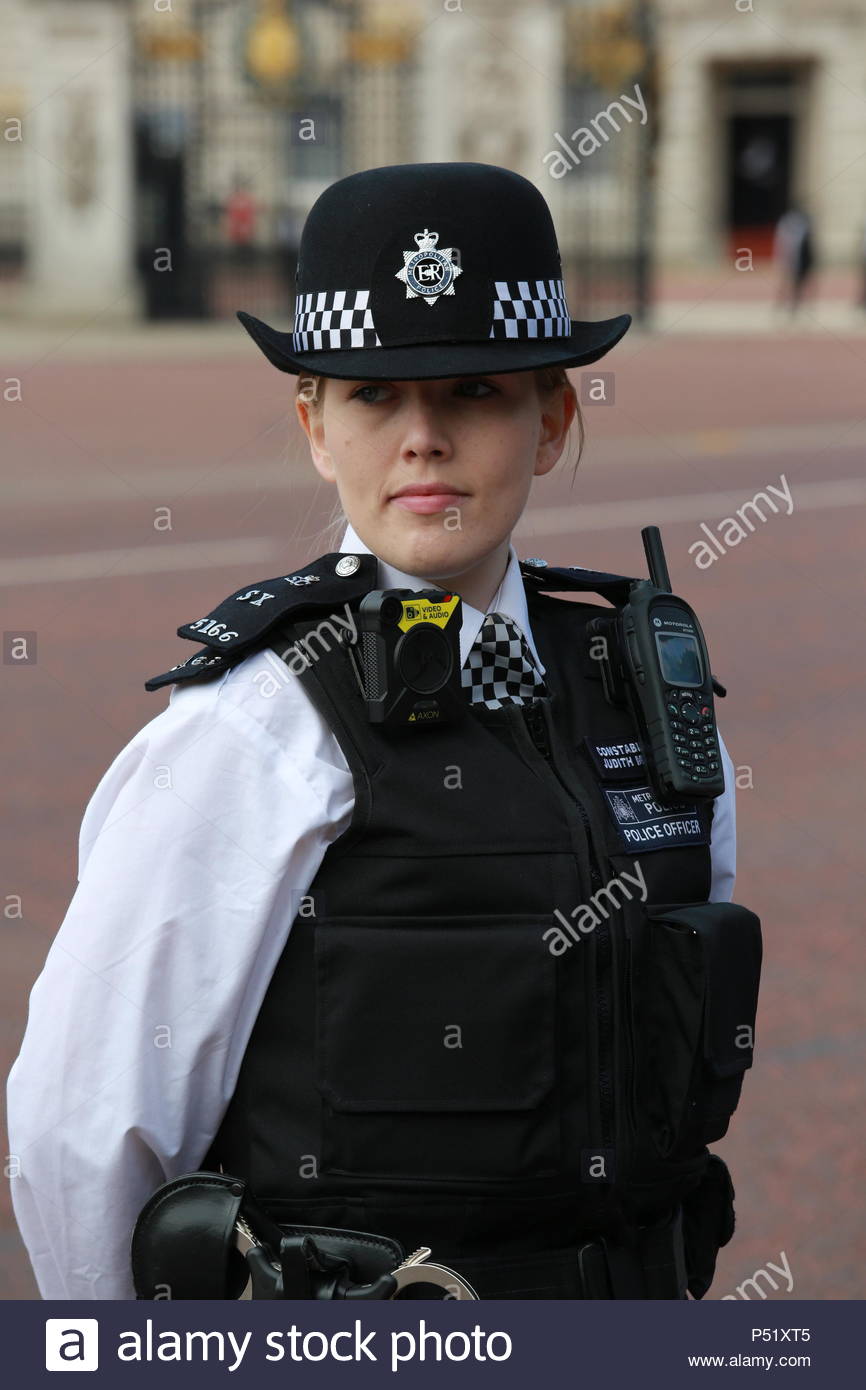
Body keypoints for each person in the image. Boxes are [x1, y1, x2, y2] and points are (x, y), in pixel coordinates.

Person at [6, 162, 756, 1301]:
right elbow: (85, 1126)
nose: (422, 439)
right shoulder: (255, 726)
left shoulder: (644, 690)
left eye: (473, 392)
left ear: (551, 419)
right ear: (313, 425)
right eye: (370, 397)